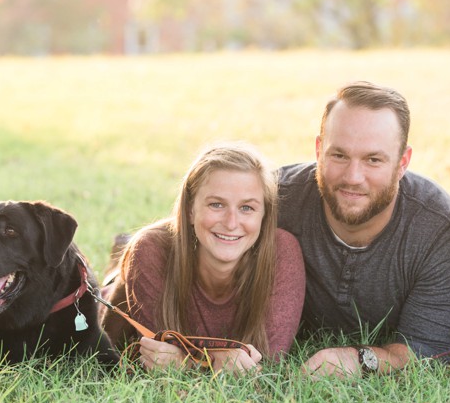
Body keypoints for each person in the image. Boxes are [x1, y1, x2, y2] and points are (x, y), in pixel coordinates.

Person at [278, 81, 450, 377]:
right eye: (339, 155)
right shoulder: (271, 199)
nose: (353, 177)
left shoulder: (442, 231)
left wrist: (361, 359)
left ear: (402, 162)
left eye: (373, 159)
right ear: (319, 150)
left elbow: (427, 352)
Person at [101, 143, 305, 373]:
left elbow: (270, 361)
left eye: (247, 208)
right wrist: (214, 363)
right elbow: (158, 356)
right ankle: (118, 266)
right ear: (190, 209)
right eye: (216, 204)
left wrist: (185, 361)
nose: (231, 223)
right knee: (114, 284)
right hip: (133, 283)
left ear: (264, 215)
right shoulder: (150, 249)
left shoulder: (282, 251)